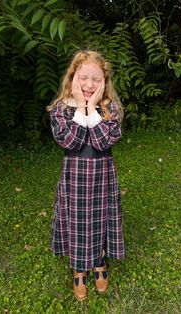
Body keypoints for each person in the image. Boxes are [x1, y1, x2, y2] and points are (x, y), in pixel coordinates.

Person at [47, 50, 125, 301]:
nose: (89, 85)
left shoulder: (109, 107)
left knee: (102, 216)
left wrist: (93, 107)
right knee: (78, 219)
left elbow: (104, 142)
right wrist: (81, 107)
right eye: (83, 78)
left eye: (96, 79)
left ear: (105, 81)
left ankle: (99, 262)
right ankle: (79, 269)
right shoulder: (62, 109)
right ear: (72, 77)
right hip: (75, 177)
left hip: (103, 176)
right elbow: (70, 140)